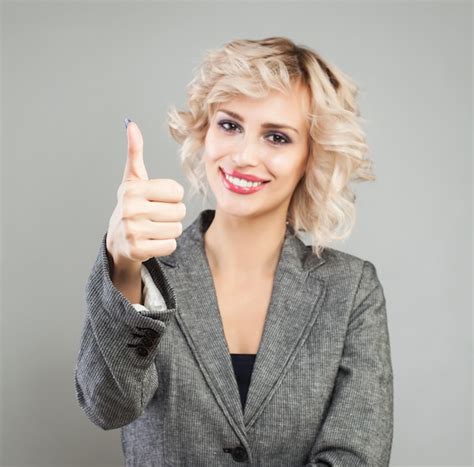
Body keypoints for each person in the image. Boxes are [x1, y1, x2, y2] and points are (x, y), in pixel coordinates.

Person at [74, 36, 394, 466]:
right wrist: (124, 266)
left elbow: (356, 457)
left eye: (277, 137)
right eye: (230, 125)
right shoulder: (143, 275)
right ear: (204, 131)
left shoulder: (351, 289)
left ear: (311, 156)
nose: (244, 155)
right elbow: (107, 407)